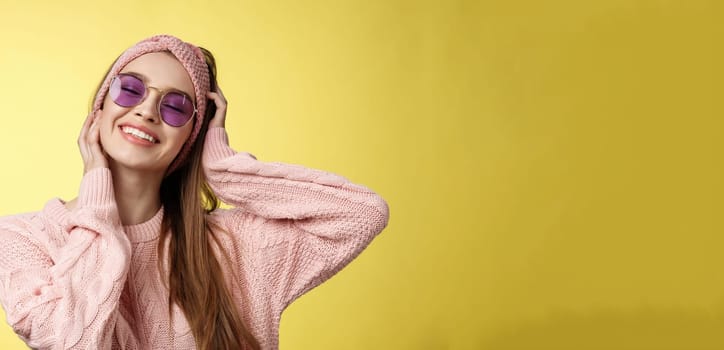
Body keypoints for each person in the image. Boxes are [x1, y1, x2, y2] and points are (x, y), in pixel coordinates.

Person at [0, 34, 390, 350]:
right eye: (131, 89)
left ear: (192, 137)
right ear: (99, 110)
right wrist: (97, 201)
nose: (147, 111)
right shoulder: (22, 239)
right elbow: (68, 341)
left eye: (175, 107)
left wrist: (224, 169)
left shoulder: (234, 247)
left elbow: (361, 213)